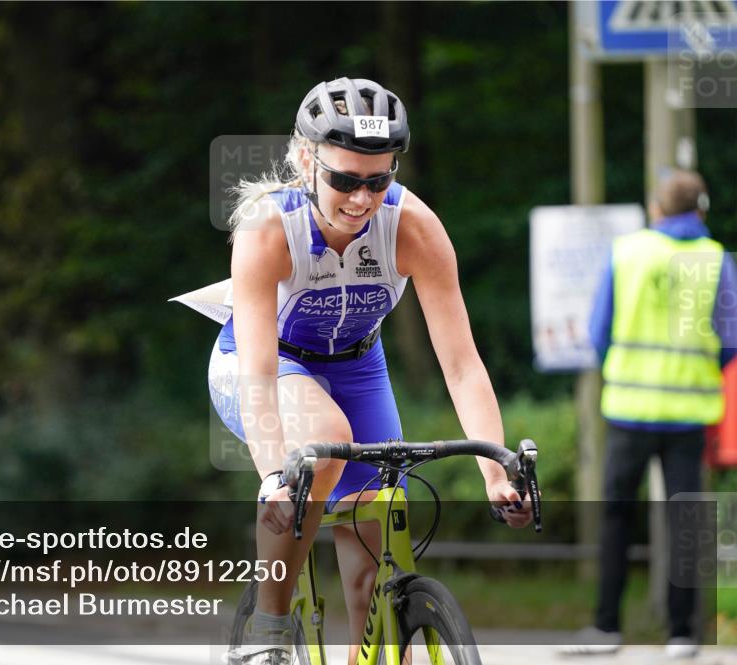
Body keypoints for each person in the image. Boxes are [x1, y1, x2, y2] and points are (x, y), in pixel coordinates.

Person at [207, 77, 534, 665]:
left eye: (378, 181)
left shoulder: (414, 227)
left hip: (359, 366)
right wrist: (271, 477)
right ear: (306, 160)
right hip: (263, 362)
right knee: (323, 451)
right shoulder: (267, 229)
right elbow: (258, 371)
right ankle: (270, 630)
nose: (362, 199)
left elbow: (461, 365)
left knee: (375, 563)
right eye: (345, 180)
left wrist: (495, 470)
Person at [561, 169, 737, 659]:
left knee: (614, 516)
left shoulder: (628, 253)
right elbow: (730, 340)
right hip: (688, 413)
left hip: (628, 409)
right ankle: (682, 634)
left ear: (657, 207)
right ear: (699, 209)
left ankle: (606, 627)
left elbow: (598, 333)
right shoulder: (716, 258)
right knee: (684, 520)